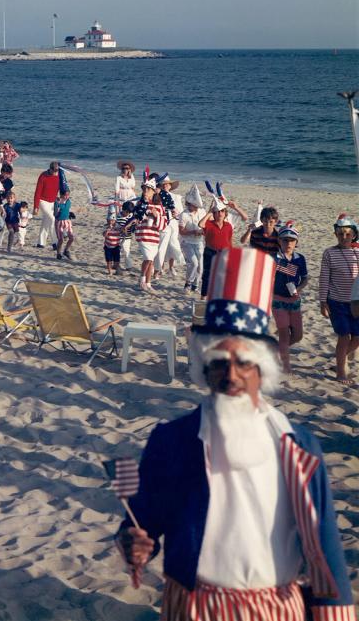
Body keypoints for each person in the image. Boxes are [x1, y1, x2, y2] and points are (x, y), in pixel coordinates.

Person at [115, 248, 353, 620]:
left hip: (275, 606)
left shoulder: (298, 446)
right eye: (219, 363)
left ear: (262, 370)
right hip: (192, 605)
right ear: (203, 369)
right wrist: (133, 543)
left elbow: (325, 546)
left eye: (244, 363)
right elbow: (142, 520)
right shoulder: (171, 440)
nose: (232, 375)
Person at [319, 215, 359, 384]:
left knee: (357, 337)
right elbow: (324, 278)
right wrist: (323, 301)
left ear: (354, 235)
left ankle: (339, 360)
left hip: (356, 303)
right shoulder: (329, 253)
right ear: (336, 235)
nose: (344, 237)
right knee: (343, 336)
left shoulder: (358, 252)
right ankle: (341, 371)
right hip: (337, 302)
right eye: (341, 234)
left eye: (348, 234)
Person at [270, 225, 307, 373]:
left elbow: (305, 279)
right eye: (285, 240)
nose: (289, 243)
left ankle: (276, 350)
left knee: (298, 335)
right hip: (278, 300)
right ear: (279, 241)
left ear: (296, 242)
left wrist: (298, 289)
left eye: (292, 240)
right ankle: (286, 366)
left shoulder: (300, 258)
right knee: (284, 333)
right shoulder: (274, 258)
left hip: (294, 300)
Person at [32, 161, 62, 249]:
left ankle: (41, 243)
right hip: (43, 201)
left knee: (46, 221)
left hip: (52, 202)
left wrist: (59, 197)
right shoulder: (43, 176)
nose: (56, 173)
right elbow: (37, 192)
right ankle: (55, 243)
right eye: (55, 171)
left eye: (57, 171)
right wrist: (36, 207)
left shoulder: (59, 175)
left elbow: (60, 187)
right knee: (52, 219)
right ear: (50, 169)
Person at [54, 186, 75, 260]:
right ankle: (58, 253)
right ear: (61, 195)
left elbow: (68, 209)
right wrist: (57, 203)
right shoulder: (57, 202)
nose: (67, 196)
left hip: (67, 221)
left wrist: (70, 213)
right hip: (59, 222)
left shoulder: (69, 201)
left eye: (68, 195)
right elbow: (55, 213)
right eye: (65, 195)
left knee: (72, 238)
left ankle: (66, 250)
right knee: (61, 240)